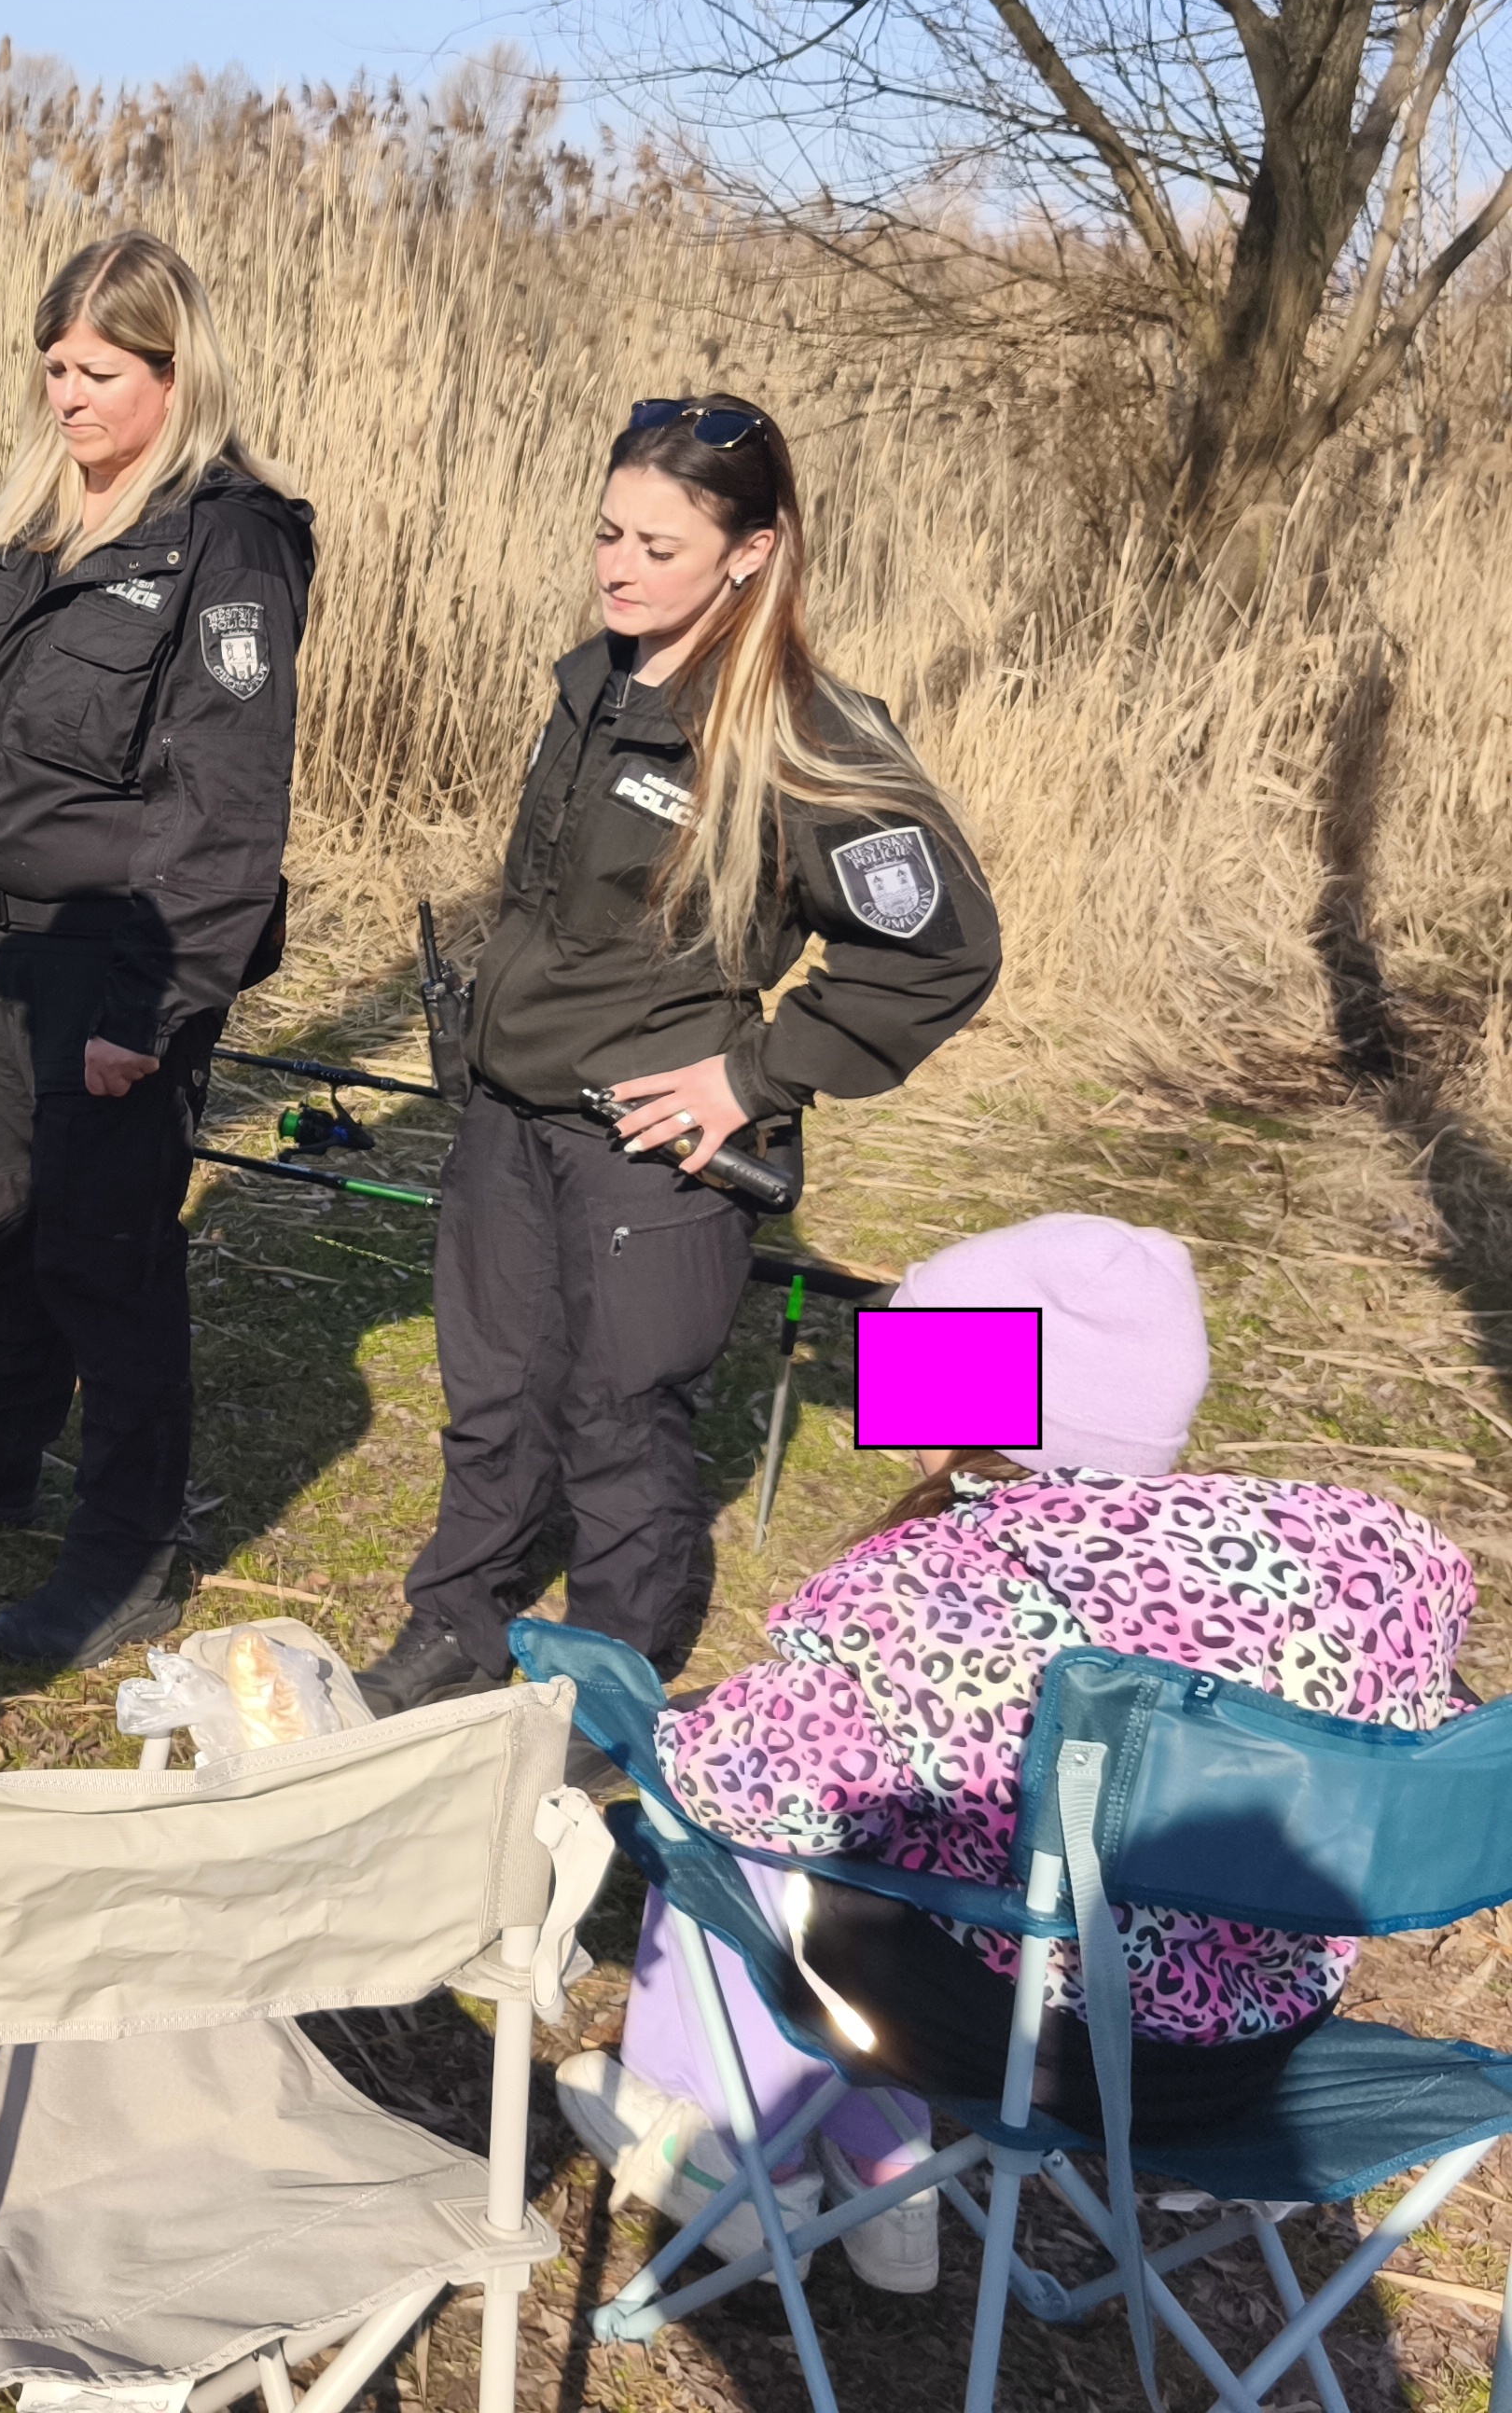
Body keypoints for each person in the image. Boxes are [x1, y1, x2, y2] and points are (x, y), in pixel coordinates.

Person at [553, 1214, 1481, 2295]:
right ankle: (881, 2160)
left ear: (975, 1387)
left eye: (915, 1356)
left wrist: (672, 1730)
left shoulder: (946, 1579)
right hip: (1252, 2053)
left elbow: (740, 1780)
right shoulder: (1361, 1566)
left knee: (730, 1814)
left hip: (1024, 2048)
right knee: (920, 1823)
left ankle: (731, 2154)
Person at [360, 394, 1001, 1714]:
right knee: (493, 1395)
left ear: (750, 553)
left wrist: (752, 1078)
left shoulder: (807, 733)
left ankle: (610, 1678)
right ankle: (457, 1622)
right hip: (509, 1114)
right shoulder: (594, 681)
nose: (619, 567)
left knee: (620, 1416)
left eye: (659, 548)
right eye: (609, 533)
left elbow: (938, 947)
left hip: (652, 1141)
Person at [0, 231, 312, 1669]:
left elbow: (228, 807)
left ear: (176, 372)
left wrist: (151, 1008)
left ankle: (127, 1551)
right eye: (54, 366)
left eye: (100, 370)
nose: (68, 395)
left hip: (111, 956)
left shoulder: (227, 545)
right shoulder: (33, 524)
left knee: (107, 1260)